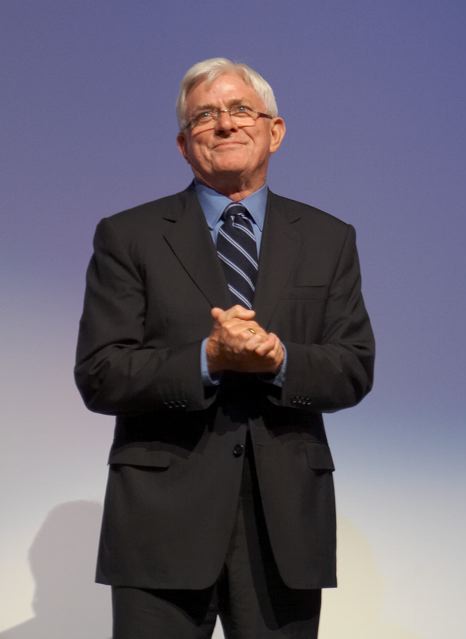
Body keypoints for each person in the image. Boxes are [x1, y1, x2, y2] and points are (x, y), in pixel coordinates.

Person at [75, 57, 375, 639]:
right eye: (205, 116)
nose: (225, 124)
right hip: (159, 523)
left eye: (241, 109)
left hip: (284, 526)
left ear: (274, 131)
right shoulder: (128, 235)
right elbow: (100, 372)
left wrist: (280, 359)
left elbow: (354, 367)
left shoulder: (328, 238)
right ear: (185, 144)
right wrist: (206, 360)